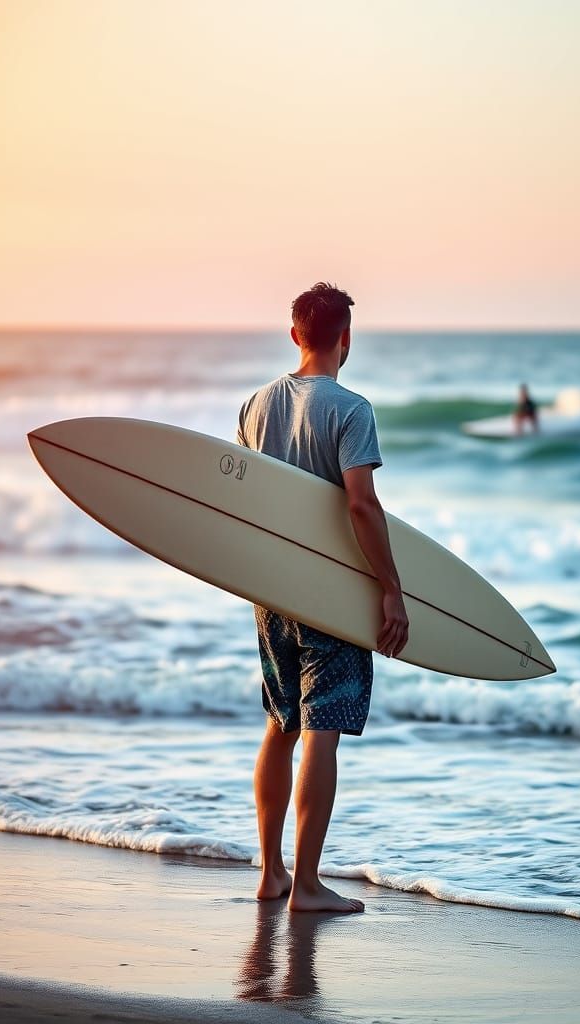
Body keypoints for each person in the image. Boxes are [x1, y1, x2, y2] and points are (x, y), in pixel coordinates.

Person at [236, 282, 409, 914]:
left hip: (271, 591)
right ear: (345, 338)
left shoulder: (255, 405)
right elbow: (360, 504)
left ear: (294, 335)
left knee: (279, 726)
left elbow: (245, 501)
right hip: (329, 593)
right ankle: (307, 886)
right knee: (321, 734)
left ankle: (271, 874)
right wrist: (392, 590)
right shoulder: (351, 410)